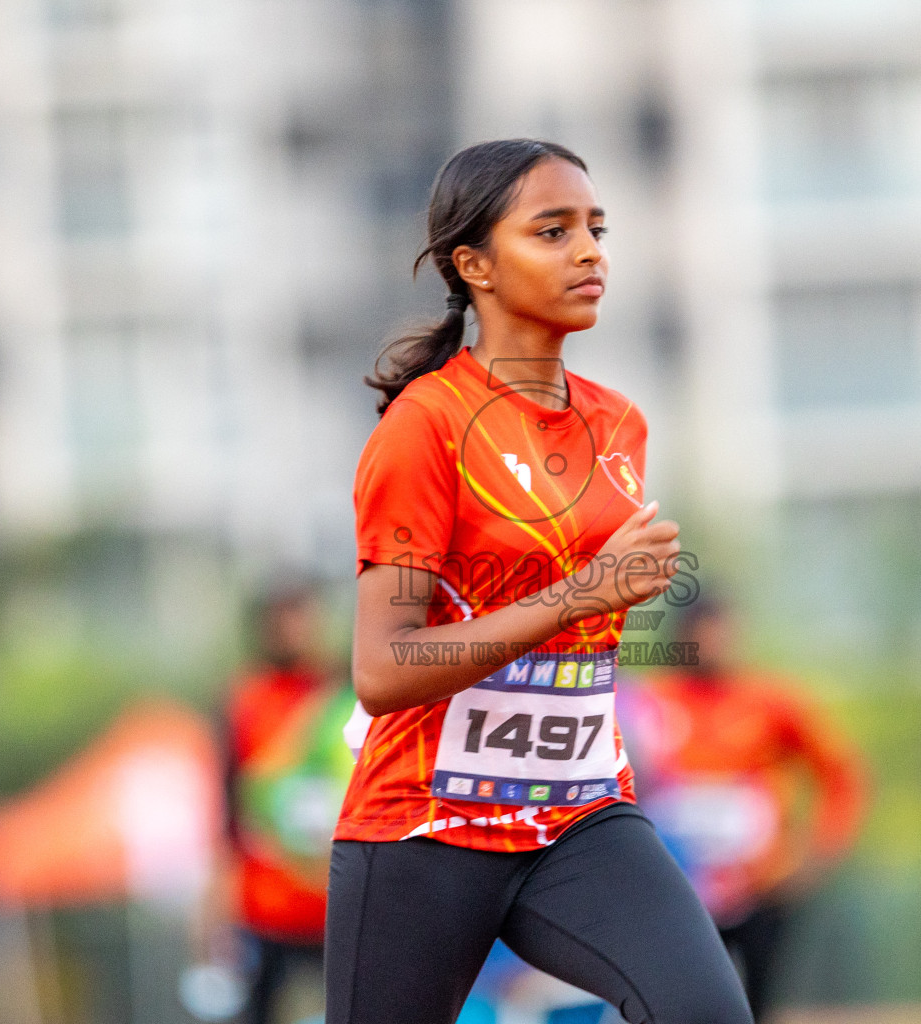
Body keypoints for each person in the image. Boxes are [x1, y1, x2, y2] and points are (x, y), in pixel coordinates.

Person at [329, 139, 753, 1024]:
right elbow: (383, 669)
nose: (591, 252)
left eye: (596, 229)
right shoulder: (426, 428)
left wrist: (602, 605)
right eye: (553, 231)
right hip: (426, 826)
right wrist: (581, 594)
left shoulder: (619, 424)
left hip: (579, 814)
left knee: (705, 1012)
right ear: (473, 264)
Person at [623, 599, 869, 1021]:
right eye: (703, 632)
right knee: (679, 1004)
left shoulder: (771, 702)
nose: (714, 643)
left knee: (758, 1005)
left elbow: (841, 774)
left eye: (722, 631)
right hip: (678, 887)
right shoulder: (650, 702)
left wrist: (818, 855)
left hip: (761, 886)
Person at [212, 582, 357, 1024]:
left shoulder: (347, 692)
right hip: (264, 903)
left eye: (302, 617)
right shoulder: (244, 699)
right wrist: (218, 904)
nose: (294, 629)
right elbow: (226, 807)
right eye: (284, 618)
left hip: (337, 898)